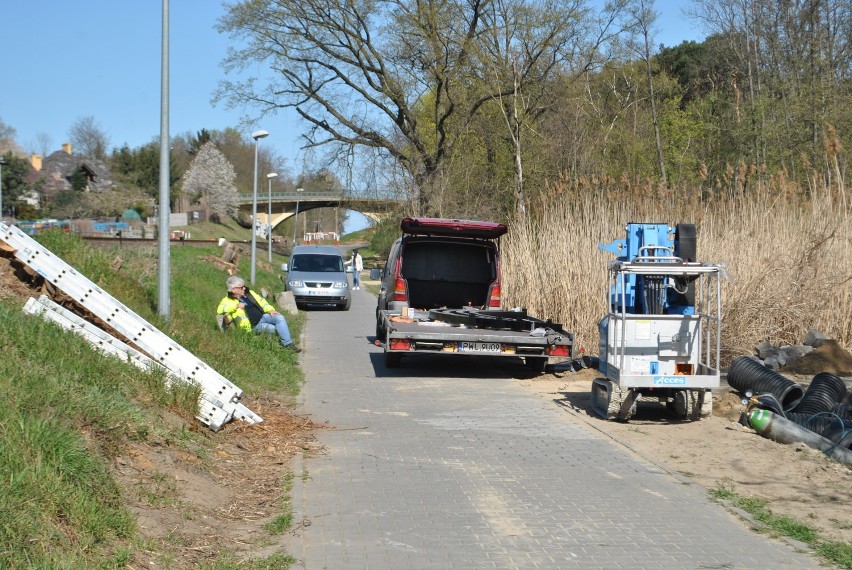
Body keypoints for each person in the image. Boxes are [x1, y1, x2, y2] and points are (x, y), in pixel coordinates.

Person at [216, 275, 301, 352]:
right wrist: (236, 306)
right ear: (234, 290)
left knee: (279, 317)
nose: (244, 288)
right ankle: (285, 348)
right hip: (254, 325)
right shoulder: (227, 300)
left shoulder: (249, 293)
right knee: (274, 329)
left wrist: (270, 310)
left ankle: (288, 345)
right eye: (241, 287)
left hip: (263, 317)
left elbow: (262, 302)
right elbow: (220, 310)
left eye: (244, 286)